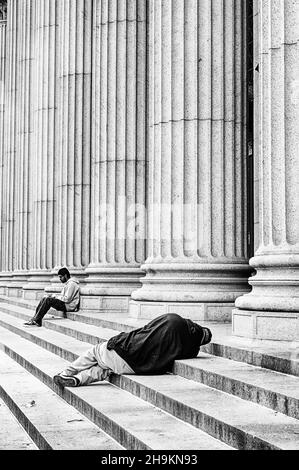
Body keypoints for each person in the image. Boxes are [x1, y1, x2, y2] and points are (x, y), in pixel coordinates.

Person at [53, 313, 212, 388]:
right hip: (135, 368)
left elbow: (146, 329)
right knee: (106, 370)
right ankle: (78, 379)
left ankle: (66, 373)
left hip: (124, 352)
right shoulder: (188, 350)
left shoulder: (173, 319)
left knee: (94, 352)